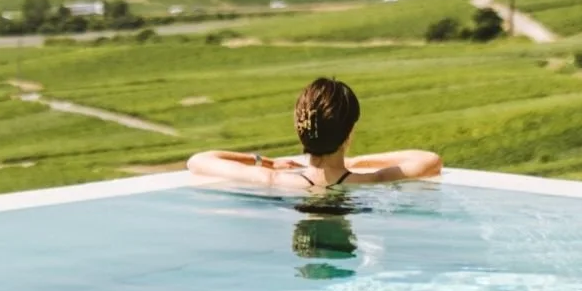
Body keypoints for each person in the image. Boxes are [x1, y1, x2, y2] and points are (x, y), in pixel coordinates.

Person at [186, 77, 442, 189]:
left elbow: (198, 160)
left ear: (300, 130)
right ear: (350, 131)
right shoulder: (371, 181)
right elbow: (429, 160)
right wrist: (356, 162)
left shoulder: (273, 180)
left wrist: (266, 162)